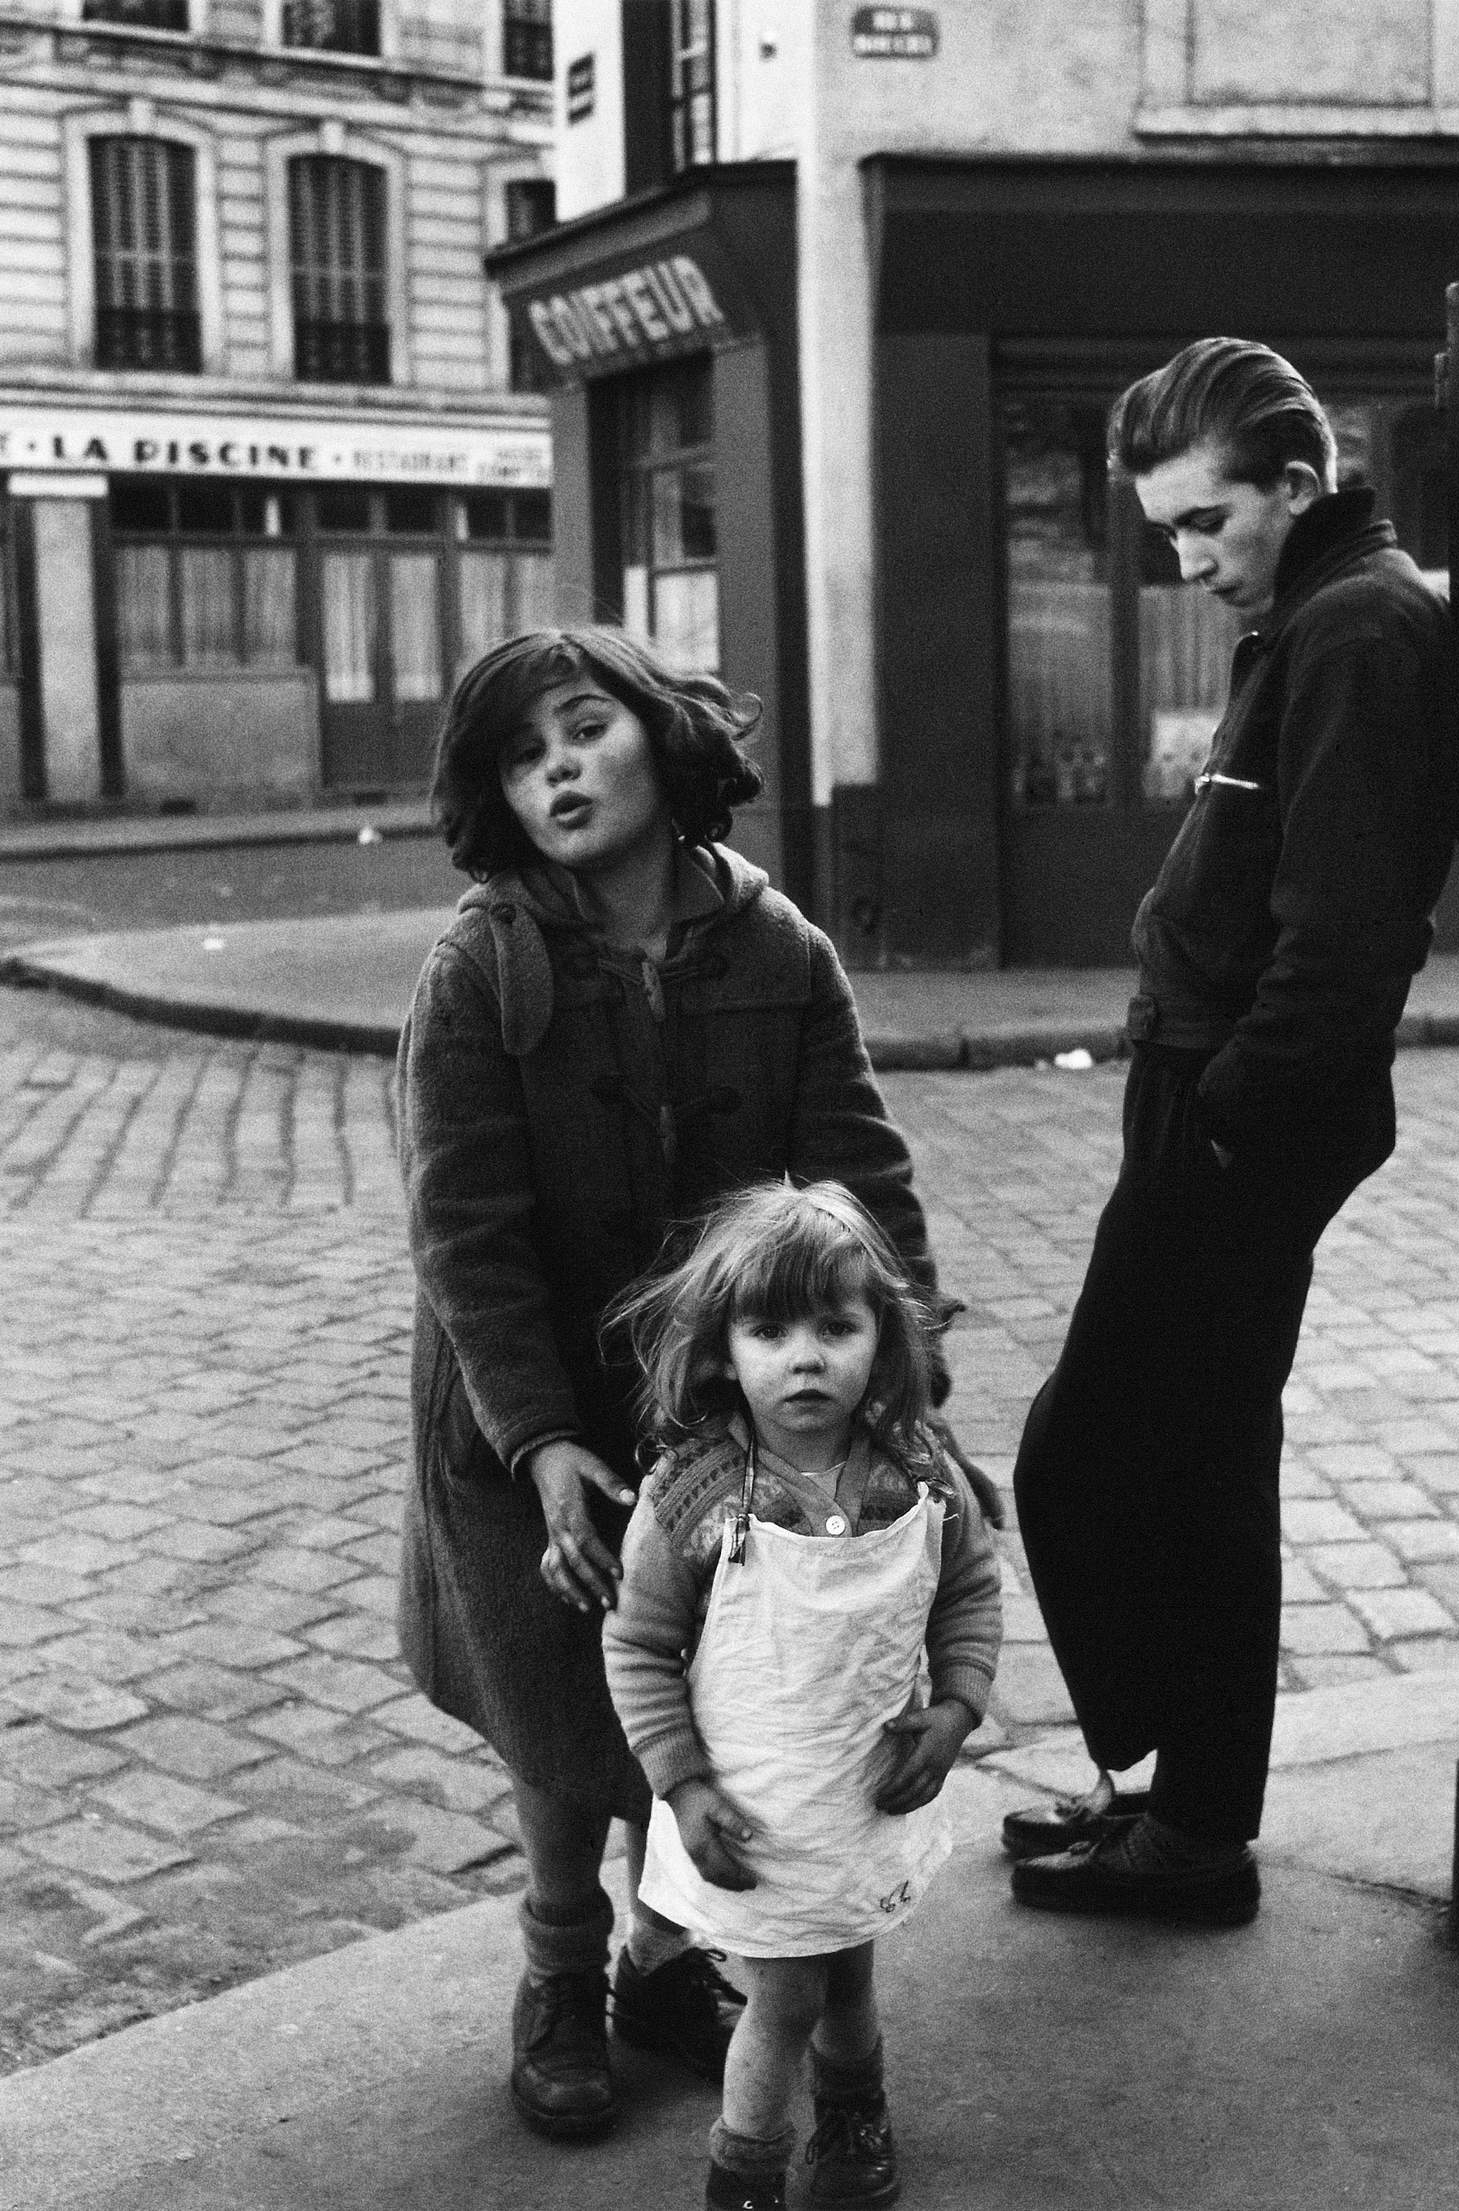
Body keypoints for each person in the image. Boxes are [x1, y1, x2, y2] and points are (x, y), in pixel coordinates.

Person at [397, 626, 984, 2142]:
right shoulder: (481, 963)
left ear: (661, 738)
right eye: (525, 758)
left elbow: (864, 1182)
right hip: (524, 1403)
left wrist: (910, 1389)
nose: (561, 769)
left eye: (585, 729)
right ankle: (559, 1970)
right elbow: (463, 1227)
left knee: (717, 1678)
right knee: (558, 1701)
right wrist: (536, 1442)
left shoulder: (777, 945)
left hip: (719, 1400)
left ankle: (664, 1964)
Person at [1003, 338, 1459, 1918]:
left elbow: (1343, 936)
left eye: (1210, 523)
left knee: (1099, 1455)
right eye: (1168, 535)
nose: (1191, 563)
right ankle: (1179, 1803)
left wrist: (1222, 1126)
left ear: (1298, 480)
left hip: (1239, 1107)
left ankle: (1189, 1825)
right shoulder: (1315, 615)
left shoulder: (1359, 628)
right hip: (1211, 1091)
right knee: (1186, 1453)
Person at [604, 1180, 1002, 2211]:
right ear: (723, 1349)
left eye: (836, 1325)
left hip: (865, 1794)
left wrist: (956, 1711)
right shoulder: (693, 1498)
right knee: (783, 1995)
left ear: (885, 1336)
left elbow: (967, 1592)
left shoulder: (916, 1474)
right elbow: (640, 1646)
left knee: (852, 1971)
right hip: (754, 1809)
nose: (807, 1355)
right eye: (770, 1330)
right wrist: (682, 1787)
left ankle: (854, 2115)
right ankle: (745, 2169)